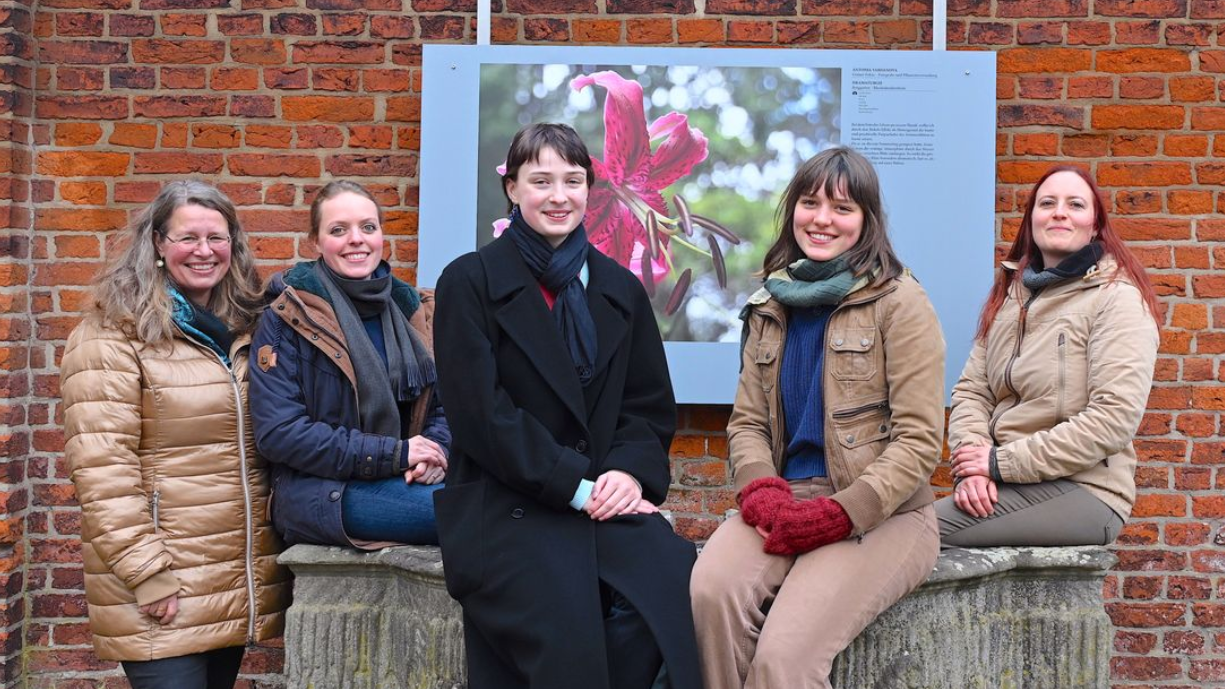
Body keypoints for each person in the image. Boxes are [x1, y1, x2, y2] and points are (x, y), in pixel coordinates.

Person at [432, 123, 703, 689]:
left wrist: (627, 474)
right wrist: (576, 486)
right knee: (567, 637)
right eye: (541, 181)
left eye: (573, 181)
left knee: (673, 589)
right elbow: (482, 417)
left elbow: (647, 404)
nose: (559, 196)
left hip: (601, 500)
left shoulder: (621, 288)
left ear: (589, 189)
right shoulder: (469, 282)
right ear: (512, 189)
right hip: (506, 509)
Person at [689, 147, 946, 689]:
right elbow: (748, 423)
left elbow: (920, 440)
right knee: (711, 593)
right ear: (793, 211)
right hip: (784, 499)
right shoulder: (769, 303)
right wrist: (761, 491)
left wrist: (841, 512)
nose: (822, 219)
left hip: (883, 511)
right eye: (810, 203)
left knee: (783, 659)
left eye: (842, 208)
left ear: (867, 220)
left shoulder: (900, 300)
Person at [60, 181, 290, 689]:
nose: (204, 251)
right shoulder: (112, 334)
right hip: (163, 581)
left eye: (217, 237)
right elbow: (102, 471)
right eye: (188, 237)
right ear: (158, 244)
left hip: (230, 580)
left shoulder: (246, 329)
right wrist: (147, 571)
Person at [937, 165, 1160, 547]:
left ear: (1095, 225)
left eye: (1075, 204)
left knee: (914, 535)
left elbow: (1113, 418)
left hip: (1085, 489)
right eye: (1047, 203)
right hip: (1004, 480)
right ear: (1031, 220)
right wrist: (973, 466)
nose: (1059, 212)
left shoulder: (1116, 299)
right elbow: (973, 392)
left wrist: (998, 463)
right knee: (903, 528)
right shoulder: (1011, 296)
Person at [248, 180, 449, 548]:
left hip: (406, 479)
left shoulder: (413, 311)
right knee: (469, 517)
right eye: (338, 230)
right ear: (315, 241)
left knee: (503, 504)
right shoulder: (288, 316)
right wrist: (397, 454)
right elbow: (279, 433)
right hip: (324, 492)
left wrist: (435, 453)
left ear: (381, 235)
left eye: (367, 227)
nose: (356, 239)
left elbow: (444, 407)